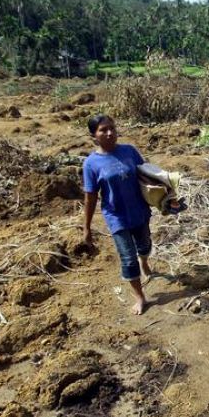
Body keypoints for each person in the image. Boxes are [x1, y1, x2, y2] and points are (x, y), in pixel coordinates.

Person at [82, 114, 153, 315]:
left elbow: (146, 175)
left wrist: (165, 197)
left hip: (139, 210)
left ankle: (145, 261)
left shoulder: (129, 151)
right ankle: (140, 297)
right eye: (103, 130)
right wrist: (86, 227)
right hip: (117, 217)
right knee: (128, 259)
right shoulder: (91, 164)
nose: (110, 133)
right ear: (93, 135)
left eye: (112, 128)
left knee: (145, 245)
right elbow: (90, 197)